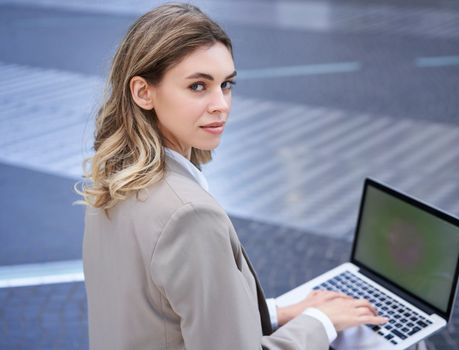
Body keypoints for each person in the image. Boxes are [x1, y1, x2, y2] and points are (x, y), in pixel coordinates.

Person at [78, 3, 389, 349]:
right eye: (198, 86)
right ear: (143, 92)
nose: (221, 104)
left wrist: (277, 313)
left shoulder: (112, 183)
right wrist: (321, 323)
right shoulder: (189, 215)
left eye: (226, 84)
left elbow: (159, 319)